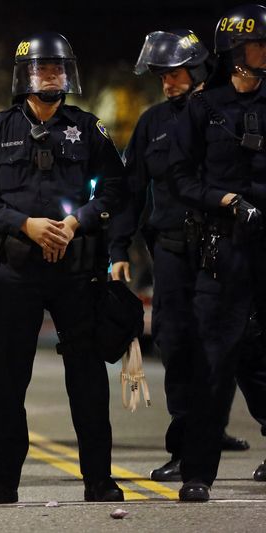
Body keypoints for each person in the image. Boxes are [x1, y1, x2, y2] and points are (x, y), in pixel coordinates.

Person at [0, 32, 126, 504]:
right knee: (5, 377)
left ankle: (99, 478)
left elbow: (115, 189)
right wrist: (25, 225)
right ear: (24, 78)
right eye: (42, 69)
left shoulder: (88, 127)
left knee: (88, 378)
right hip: (14, 269)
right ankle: (0, 480)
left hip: (76, 270)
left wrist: (76, 222)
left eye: (58, 68)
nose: (51, 76)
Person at [110, 29, 250, 484]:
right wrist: (118, 247)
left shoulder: (228, 110)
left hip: (226, 246)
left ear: (199, 68)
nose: (169, 83)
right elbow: (131, 189)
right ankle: (185, 451)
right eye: (161, 76)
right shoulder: (153, 122)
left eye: (175, 74)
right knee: (176, 346)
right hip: (171, 250)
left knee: (246, 346)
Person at [168, 3, 266, 502]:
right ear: (235, 51)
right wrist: (223, 200)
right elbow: (180, 177)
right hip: (225, 249)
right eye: (259, 44)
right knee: (214, 363)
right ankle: (198, 472)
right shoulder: (204, 107)